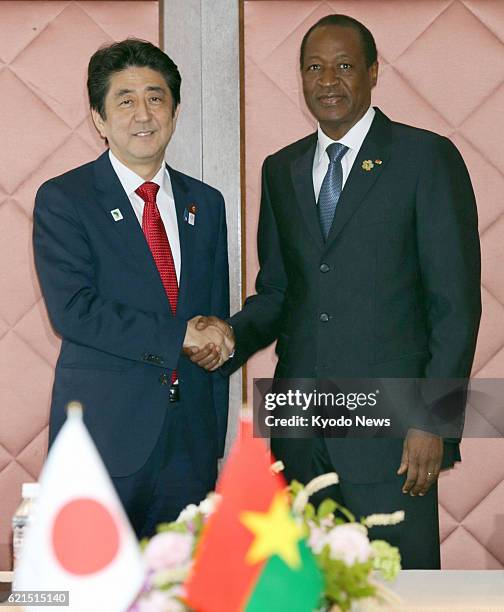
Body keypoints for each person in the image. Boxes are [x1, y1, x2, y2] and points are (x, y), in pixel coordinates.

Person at [192, 14, 481, 568]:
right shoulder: (282, 169)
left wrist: (434, 422)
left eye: (344, 66)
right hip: (300, 433)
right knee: (308, 592)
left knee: (401, 594)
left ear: (374, 73)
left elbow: (456, 305)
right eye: (314, 68)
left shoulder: (426, 158)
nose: (328, 80)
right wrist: (229, 335)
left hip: (395, 437)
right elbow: (278, 291)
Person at [33, 39, 233, 538]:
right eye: (124, 100)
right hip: (103, 442)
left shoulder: (205, 203)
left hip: (190, 447)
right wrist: (177, 337)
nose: (142, 113)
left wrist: (214, 438)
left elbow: (209, 316)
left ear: (176, 109)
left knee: (183, 590)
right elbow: (74, 310)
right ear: (99, 119)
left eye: (155, 97)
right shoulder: (65, 199)